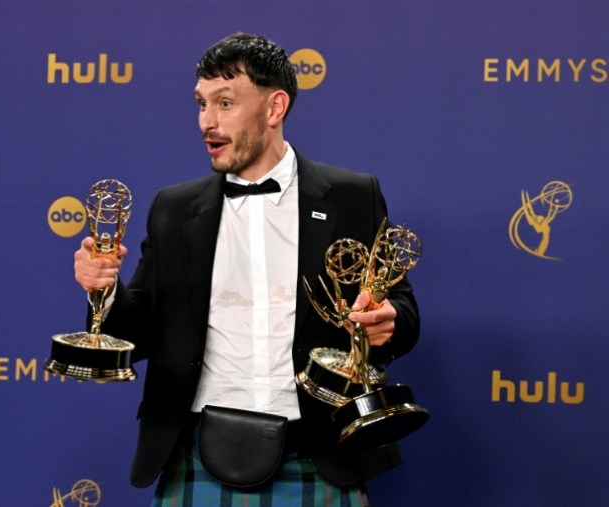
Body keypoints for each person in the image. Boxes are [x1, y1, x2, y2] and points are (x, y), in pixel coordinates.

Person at [74, 33, 420, 507]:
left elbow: (403, 311)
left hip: (319, 456)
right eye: (200, 104)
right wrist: (103, 291)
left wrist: (388, 322)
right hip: (196, 454)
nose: (207, 122)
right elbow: (139, 331)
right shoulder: (174, 209)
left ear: (275, 107)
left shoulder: (351, 195)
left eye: (225, 103)